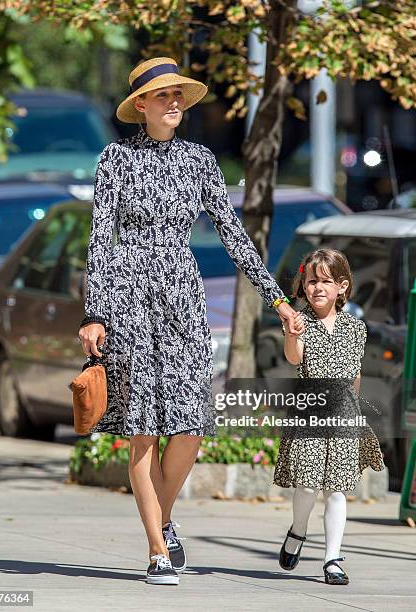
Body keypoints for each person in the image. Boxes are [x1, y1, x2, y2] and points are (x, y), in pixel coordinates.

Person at [77, 56, 297, 586]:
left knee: (191, 426)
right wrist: (95, 312)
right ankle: (157, 550)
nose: (173, 102)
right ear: (141, 107)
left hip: (182, 299)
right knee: (143, 431)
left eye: (178, 95)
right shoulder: (116, 160)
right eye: (162, 96)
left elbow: (234, 234)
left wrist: (278, 299)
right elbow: (101, 239)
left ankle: (164, 515)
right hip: (128, 303)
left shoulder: (200, 161)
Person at [273, 248, 385, 585]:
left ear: (342, 287)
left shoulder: (355, 327)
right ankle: (298, 529)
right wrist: (292, 334)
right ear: (303, 286)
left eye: (325, 282)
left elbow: (356, 374)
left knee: (336, 491)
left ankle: (332, 558)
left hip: (344, 417)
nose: (317, 288)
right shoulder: (300, 322)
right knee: (307, 486)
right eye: (311, 282)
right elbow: (294, 359)